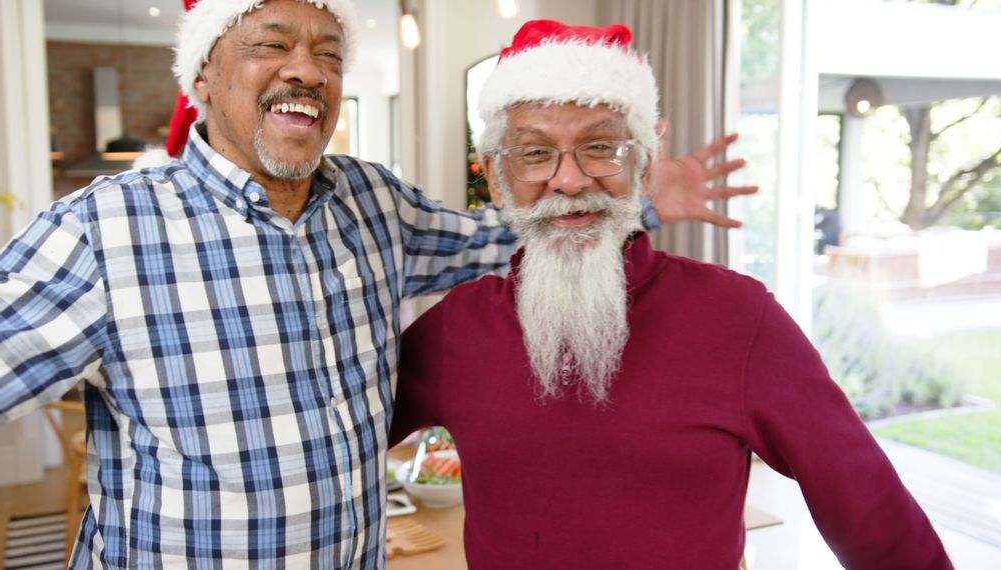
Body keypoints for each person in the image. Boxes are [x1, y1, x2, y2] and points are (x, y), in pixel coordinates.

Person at [0, 1, 752, 568]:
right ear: (202, 77)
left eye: (326, 51)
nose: (305, 69)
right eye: (270, 43)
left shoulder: (370, 202)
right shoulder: (104, 233)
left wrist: (636, 199)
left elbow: (500, 237)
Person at [389, 19, 952, 570]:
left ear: (645, 163)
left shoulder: (738, 317)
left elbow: (870, 509)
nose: (569, 180)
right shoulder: (454, 329)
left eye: (601, 147)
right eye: (534, 153)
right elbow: (336, 441)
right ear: (495, 175)